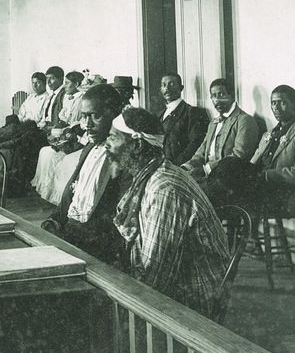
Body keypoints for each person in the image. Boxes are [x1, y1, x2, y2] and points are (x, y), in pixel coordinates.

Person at [105, 107, 229, 318]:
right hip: (176, 285)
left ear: (136, 145)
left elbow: (155, 275)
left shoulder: (164, 188)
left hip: (193, 298)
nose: (106, 144)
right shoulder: (151, 174)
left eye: (113, 138)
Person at [42, 84, 128, 263]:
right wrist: (54, 220)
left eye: (95, 116)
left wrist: (72, 237)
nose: (87, 124)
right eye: (84, 116)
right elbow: (71, 195)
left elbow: (118, 222)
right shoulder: (89, 148)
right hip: (73, 233)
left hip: (96, 245)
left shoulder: (125, 158)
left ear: (115, 114)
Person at [246, 84, 295, 212]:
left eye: (282, 103)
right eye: (273, 103)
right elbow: (252, 164)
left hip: (284, 195)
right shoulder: (268, 134)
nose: (276, 107)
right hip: (259, 189)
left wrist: (265, 175)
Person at [182, 78, 259, 179]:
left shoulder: (244, 120)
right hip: (207, 175)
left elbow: (238, 156)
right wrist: (186, 167)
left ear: (231, 95)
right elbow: (201, 152)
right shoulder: (213, 123)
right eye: (213, 96)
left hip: (228, 178)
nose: (217, 100)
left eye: (221, 94)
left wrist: (206, 170)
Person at [32, 71, 86, 204]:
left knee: (49, 151)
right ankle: (44, 191)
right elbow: (63, 118)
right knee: (44, 151)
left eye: (67, 83)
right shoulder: (69, 98)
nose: (65, 86)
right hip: (63, 131)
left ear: (77, 84)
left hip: (75, 135)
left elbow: (77, 123)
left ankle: (57, 196)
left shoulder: (81, 100)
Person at [157, 73, 210, 165]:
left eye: (172, 84)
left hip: (180, 168)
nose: (167, 88)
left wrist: (176, 165)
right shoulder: (159, 115)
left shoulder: (192, 112)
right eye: (163, 85)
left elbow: (196, 144)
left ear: (181, 88)